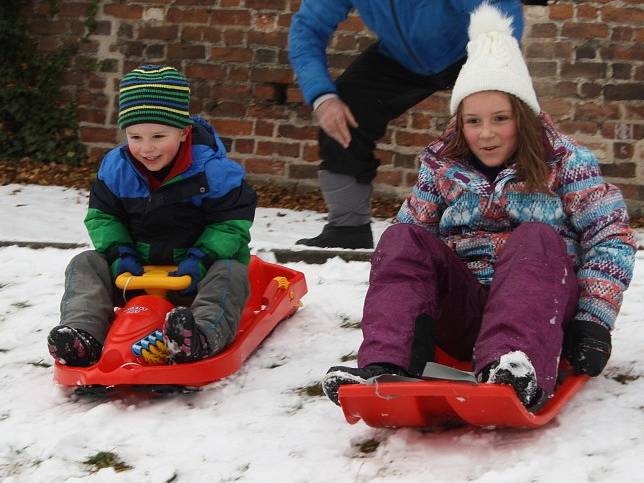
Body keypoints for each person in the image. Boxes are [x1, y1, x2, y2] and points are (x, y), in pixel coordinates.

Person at [321, 4, 637, 409]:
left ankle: (514, 367)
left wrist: (593, 322)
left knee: (536, 237)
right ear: (461, 122)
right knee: (402, 237)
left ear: (522, 117)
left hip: (543, 307)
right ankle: (386, 365)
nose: (485, 134)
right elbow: (404, 259)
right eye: (473, 121)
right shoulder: (442, 167)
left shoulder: (566, 161)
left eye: (500, 118)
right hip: (467, 310)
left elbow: (611, 237)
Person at [47, 65, 257, 366]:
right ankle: (83, 335)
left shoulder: (214, 172)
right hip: (134, 274)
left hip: (195, 276)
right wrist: (120, 254)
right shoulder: (116, 169)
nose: (146, 148)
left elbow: (230, 225)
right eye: (135, 137)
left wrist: (200, 259)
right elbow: (103, 217)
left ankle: (197, 337)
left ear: (183, 132)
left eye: (158, 136)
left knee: (232, 272)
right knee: (85, 263)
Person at [288, 0, 525, 249]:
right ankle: (348, 228)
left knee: (496, 125)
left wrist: (502, 73)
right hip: (399, 58)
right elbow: (308, 28)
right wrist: (322, 97)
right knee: (347, 107)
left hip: (467, 51)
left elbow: (498, 8)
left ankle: (517, 223)